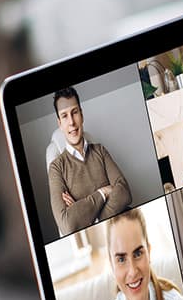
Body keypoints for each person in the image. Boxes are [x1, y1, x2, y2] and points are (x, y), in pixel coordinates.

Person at [46, 87, 133, 237]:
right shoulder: (56, 168)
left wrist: (89, 218)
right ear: (59, 123)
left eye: (74, 112)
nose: (72, 122)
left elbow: (124, 193)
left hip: (125, 226)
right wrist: (103, 192)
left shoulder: (100, 150)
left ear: (81, 114)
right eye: (65, 116)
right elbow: (68, 224)